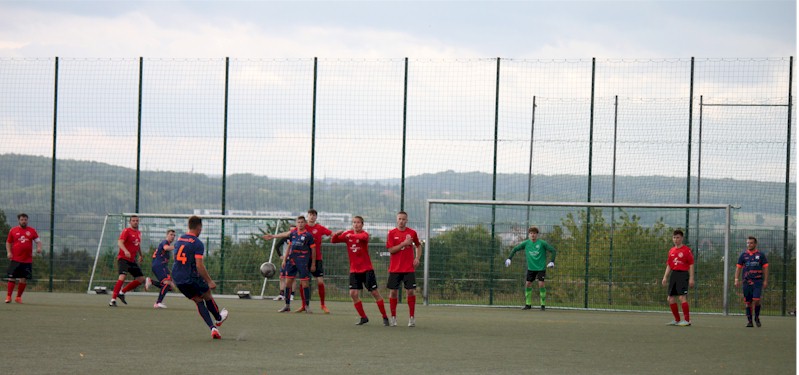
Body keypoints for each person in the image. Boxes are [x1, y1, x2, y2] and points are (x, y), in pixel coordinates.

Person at [172, 216, 229, 339]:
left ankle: (213, 328)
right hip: (191, 276)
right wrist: (209, 281)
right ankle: (218, 319)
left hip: (177, 278)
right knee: (207, 295)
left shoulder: (179, 239)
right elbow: (199, 265)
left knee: (198, 300)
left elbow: (175, 259)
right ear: (199, 227)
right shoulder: (197, 243)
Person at [331, 216, 389, 326]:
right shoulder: (348, 234)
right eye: (354, 222)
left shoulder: (364, 234)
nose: (356, 224)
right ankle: (363, 317)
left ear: (362, 224)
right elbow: (334, 241)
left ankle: (385, 317)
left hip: (367, 269)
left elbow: (363, 238)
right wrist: (336, 234)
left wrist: (350, 235)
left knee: (374, 293)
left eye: (358, 222)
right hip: (354, 270)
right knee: (353, 293)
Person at [264, 216, 316, 313]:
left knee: (305, 284)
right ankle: (287, 305)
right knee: (288, 283)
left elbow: (313, 250)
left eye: (302, 222)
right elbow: (289, 245)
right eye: (298, 222)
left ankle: (307, 306)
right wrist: (284, 259)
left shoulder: (308, 236)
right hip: (291, 261)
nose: (300, 224)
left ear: (305, 223)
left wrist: (313, 264)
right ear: (296, 223)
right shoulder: (293, 233)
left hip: (303, 262)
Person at [505, 226, 557, 311]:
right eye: (531, 233)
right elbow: (515, 249)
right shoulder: (526, 243)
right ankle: (528, 304)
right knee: (528, 284)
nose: (533, 235)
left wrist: (552, 261)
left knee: (541, 284)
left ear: (537, 235)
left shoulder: (542, 243)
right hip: (531, 268)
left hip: (541, 268)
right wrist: (509, 258)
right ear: (529, 234)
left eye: (534, 233)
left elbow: (553, 250)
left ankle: (543, 305)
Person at [385, 211, 422, 327]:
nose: (401, 221)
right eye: (399, 219)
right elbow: (391, 250)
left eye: (403, 219)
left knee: (410, 291)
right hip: (395, 269)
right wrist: (403, 243)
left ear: (407, 220)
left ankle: (411, 318)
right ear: (397, 220)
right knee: (393, 292)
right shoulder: (391, 233)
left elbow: (418, 245)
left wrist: (417, 258)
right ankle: (393, 317)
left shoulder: (412, 233)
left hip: (408, 269)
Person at [109, 215, 149, 307]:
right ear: (130, 222)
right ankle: (113, 300)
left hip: (132, 260)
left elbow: (137, 245)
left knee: (141, 279)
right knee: (122, 277)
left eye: (137, 221)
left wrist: (141, 255)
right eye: (133, 220)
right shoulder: (126, 231)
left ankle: (122, 292)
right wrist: (126, 251)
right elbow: (120, 242)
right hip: (123, 258)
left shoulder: (139, 233)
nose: (135, 222)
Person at [5, 213, 42, 303]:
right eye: (22, 219)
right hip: (15, 259)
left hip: (27, 260)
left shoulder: (32, 231)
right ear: (19, 220)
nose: (24, 221)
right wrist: (9, 252)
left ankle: (18, 297)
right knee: (11, 278)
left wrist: (39, 248)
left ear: (27, 220)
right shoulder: (13, 230)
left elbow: (38, 241)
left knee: (23, 279)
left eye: (25, 219)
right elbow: (8, 242)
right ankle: (8, 296)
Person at [661, 229, 694, 327]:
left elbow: (691, 264)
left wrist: (691, 278)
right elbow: (669, 265)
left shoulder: (686, 250)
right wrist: (665, 277)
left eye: (678, 237)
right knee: (670, 298)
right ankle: (677, 320)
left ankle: (687, 320)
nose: (676, 239)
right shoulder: (671, 250)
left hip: (683, 274)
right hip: (674, 275)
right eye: (674, 237)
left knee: (681, 297)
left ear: (682, 238)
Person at [735, 236, 769, 327]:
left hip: (757, 281)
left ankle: (756, 317)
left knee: (757, 300)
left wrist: (765, 280)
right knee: (748, 302)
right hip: (746, 282)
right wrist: (736, 279)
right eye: (748, 243)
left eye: (751, 243)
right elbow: (738, 268)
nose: (749, 245)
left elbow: (765, 268)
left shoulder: (761, 255)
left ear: (755, 244)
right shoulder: (743, 255)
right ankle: (750, 321)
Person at [306, 209, 333, 313]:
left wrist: (344, 236)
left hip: (317, 259)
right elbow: (292, 233)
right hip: (305, 258)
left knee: (320, 282)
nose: (312, 217)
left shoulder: (319, 228)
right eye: (310, 215)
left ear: (316, 217)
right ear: (307, 216)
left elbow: (331, 234)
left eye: (314, 215)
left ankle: (322, 305)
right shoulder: (304, 227)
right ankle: (304, 305)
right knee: (304, 282)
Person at [146, 229, 177, 309]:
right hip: (159, 265)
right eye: (171, 234)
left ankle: (151, 281)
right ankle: (158, 303)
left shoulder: (168, 247)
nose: (173, 237)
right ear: (167, 235)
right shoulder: (165, 242)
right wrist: (176, 246)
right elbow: (166, 248)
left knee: (170, 287)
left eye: (174, 235)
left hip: (161, 266)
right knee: (167, 283)